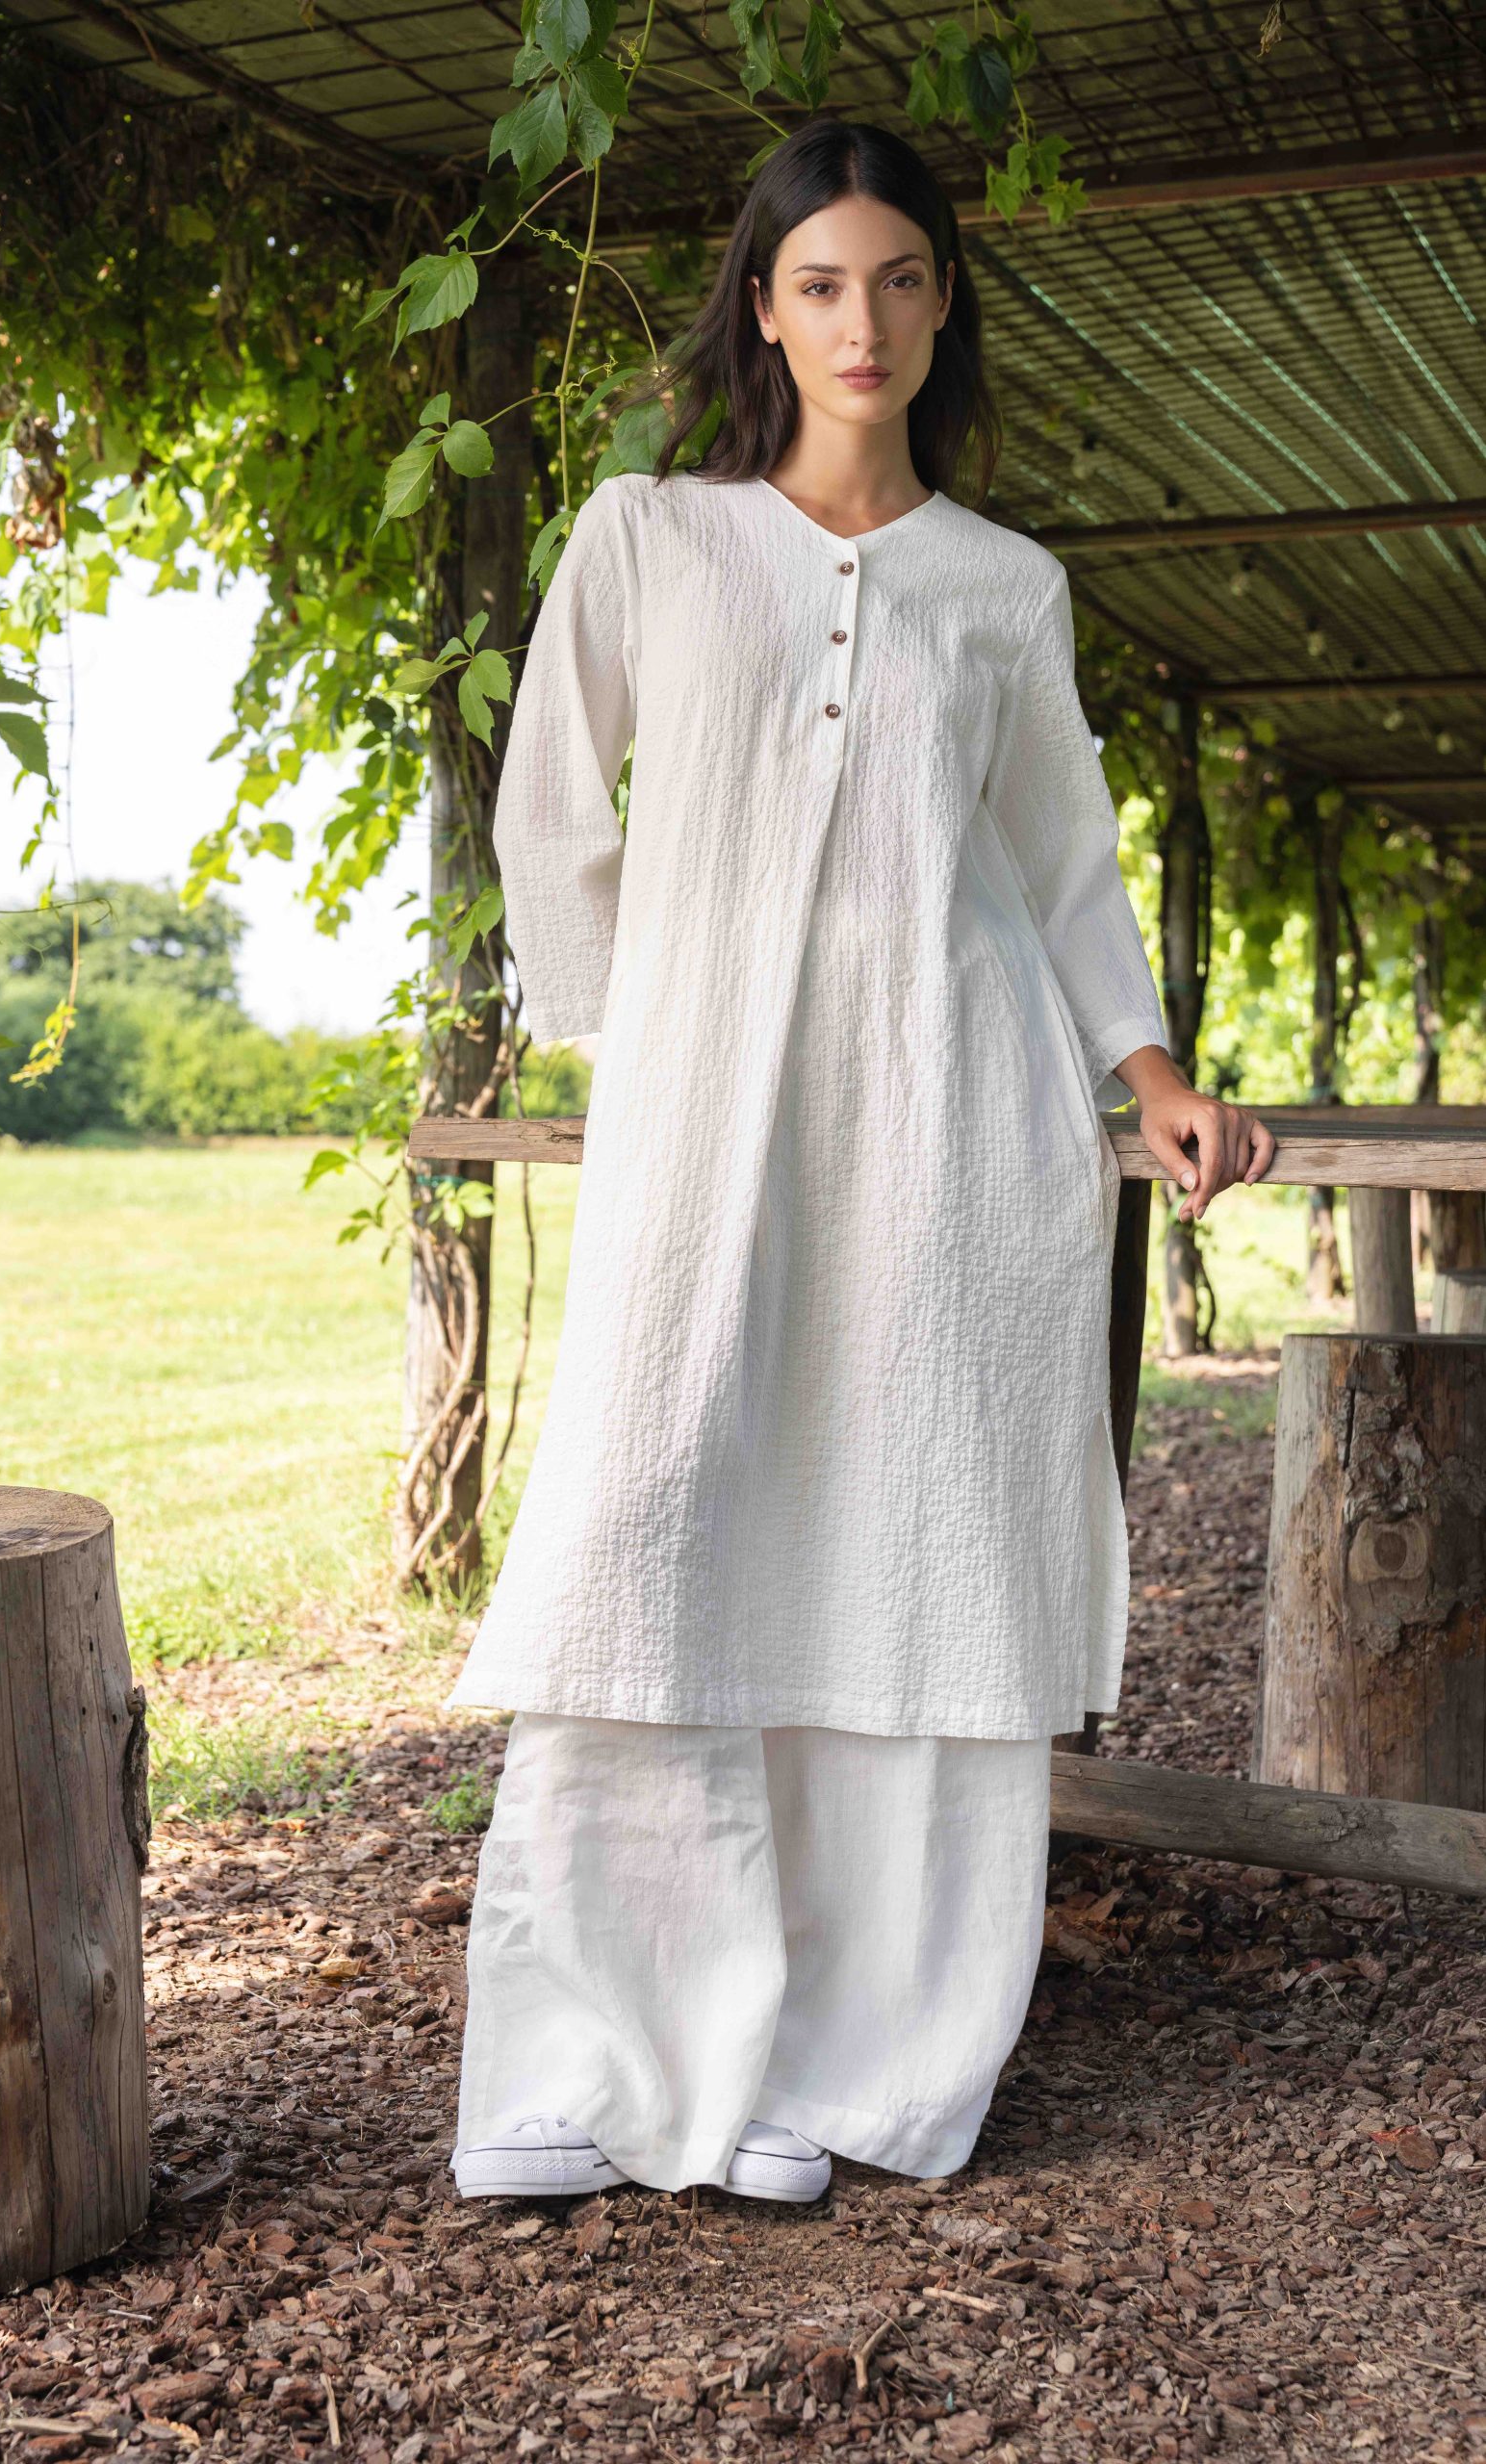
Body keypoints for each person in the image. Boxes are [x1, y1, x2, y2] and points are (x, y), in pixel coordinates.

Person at [443, 119, 1275, 2205]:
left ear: (941, 302)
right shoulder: (650, 535)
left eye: (899, 279)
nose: (861, 322)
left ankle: (847, 2067)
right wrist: (646, 1039)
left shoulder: (1003, 587)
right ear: (762, 306)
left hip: (948, 1114)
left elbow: (1058, 864)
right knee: (653, 1518)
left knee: (913, 1539)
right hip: (701, 1123)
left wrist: (1153, 1075)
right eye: (819, 282)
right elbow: (549, 808)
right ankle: (590, 2055)